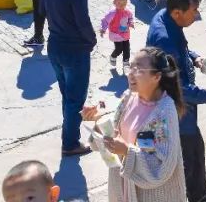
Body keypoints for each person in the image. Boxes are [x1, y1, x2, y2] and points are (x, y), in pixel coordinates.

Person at [146, 0, 206, 202]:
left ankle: (200, 193)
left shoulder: (165, 17)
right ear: (177, 12)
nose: (197, 15)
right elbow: (177, 88)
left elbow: (181, 50)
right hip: (177, 111)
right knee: (188, 157)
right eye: (194, 10)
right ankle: (195, 196)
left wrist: (194, 57)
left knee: (195, 149)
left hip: (181, 109)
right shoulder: (164, 39)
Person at [81, 47, 189, 202]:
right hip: (122, 189)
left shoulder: (163, 112)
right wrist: (97, 121)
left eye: (138, 69)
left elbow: (162, 166)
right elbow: (116, 131)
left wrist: (126, 151)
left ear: (156, 77)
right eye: (130, 67)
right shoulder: (129, 97)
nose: (130, 73)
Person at [40, 0, 95, 156]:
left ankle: (69, 135)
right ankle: (70, 143)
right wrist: (91, 41)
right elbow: (83, 23)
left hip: (55, 46)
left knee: (67, 95)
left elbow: (42, 10)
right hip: (75, 50)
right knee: (75, 99)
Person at [100, 0, 135, 73]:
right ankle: (113, 56)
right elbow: (105, 21)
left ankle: (126, 63)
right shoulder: (112, 13)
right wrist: (103, 29)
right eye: (119, 3)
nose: (122, 5)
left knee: (126, 49)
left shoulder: (127, 12)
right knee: (119, 49)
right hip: (116, 35)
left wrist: (131, 23)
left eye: (124, 3)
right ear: (114, 2)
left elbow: (130, 18)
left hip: (125, 34)